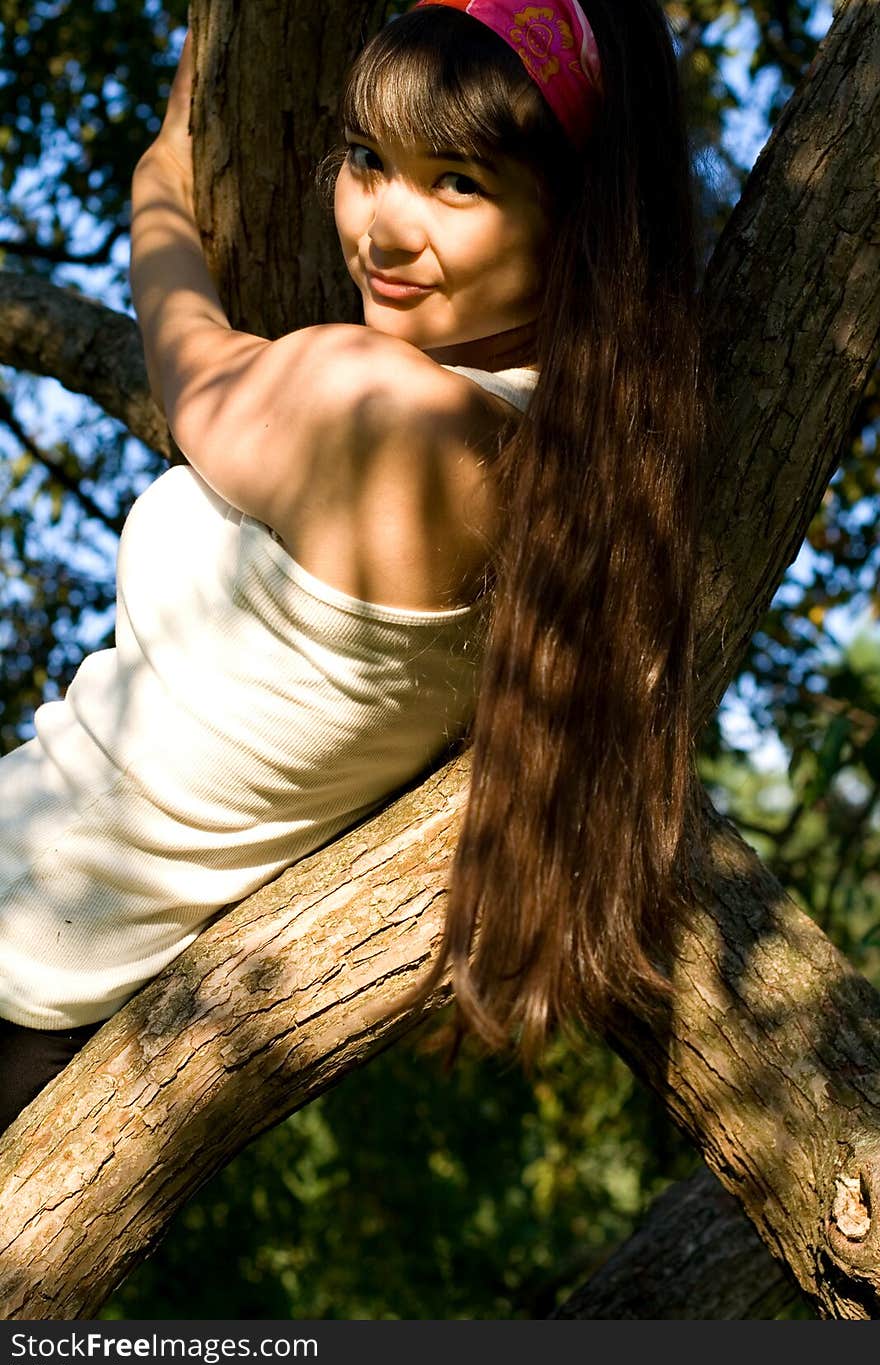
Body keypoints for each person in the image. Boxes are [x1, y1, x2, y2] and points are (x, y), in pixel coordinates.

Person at [0, 0, 708, 1135]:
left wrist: (162, 172)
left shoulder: (374, 408)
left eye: (457, 183)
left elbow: (184, 340)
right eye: (367, 161)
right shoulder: (589, 493)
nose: (382, 228)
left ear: (574, 213)